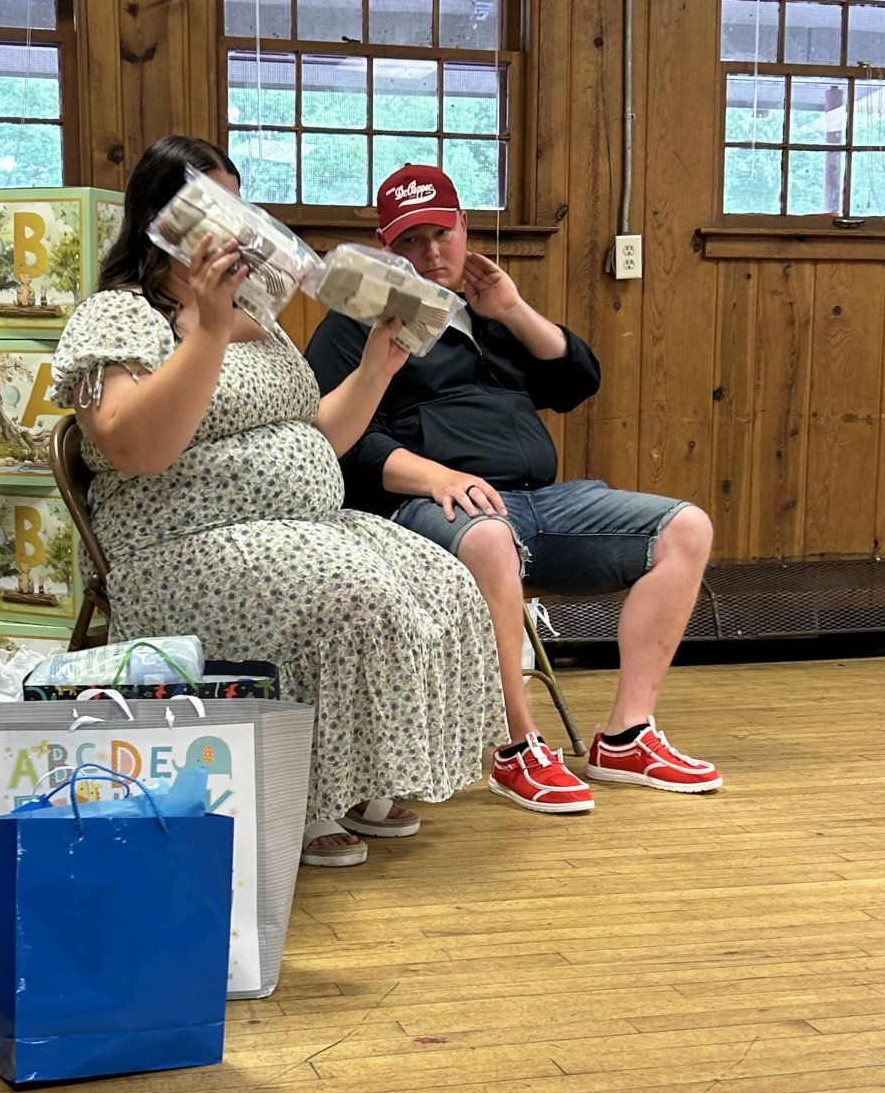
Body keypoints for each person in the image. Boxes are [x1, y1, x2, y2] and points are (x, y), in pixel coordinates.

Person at [48, 136, 506, 868]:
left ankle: (360, 774)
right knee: (351, 596)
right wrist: (207, 324)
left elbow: (316, 434)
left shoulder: (256, 317)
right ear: (162, 221)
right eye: (214, 208)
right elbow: (135, 447)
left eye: (240, 207)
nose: (236, 228)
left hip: (301, 523)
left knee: (443, 582)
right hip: (180, 544)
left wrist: (378, 367)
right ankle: (303, 790)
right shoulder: (119, 315)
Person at [306, 164, 721, 812]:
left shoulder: (489, 315)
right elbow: (340, 444)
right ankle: (516, 744)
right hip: (426, 506)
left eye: (441, 234)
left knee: (687, 528)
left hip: (539, 501)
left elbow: (576, 381)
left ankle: (626, 736)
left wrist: (513, 310)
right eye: (410, 240)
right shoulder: (357, 322)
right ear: (387, 248)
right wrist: (437, 475)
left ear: (464, 229)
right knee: (491, 537)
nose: (431, 253)